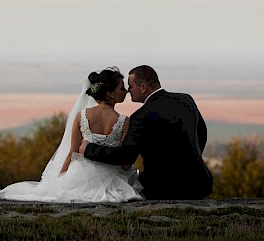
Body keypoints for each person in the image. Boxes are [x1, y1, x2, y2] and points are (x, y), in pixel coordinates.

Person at [0, 67, 143, 203]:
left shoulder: (82, 116)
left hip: (81, 175)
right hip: (113, 178)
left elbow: (72, 153)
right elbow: (124, 164)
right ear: (110, 94)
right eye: (122, 88)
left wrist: (60, 179)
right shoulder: (124, 121)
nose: (126, 91)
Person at [80, 65, 213, 200]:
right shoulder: (186, 100)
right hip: (200, 184)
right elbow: (201, 134)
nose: (128, 91)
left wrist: (89, 149)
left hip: (163, 188)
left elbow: (125, 156)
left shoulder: (140, 116)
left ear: (143, 87)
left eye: (131, 86)